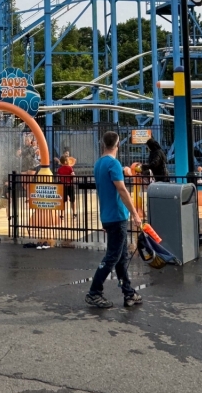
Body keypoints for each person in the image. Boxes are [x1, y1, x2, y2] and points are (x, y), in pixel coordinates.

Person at [86, 131, 144, 309]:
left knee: (121, 257)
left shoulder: (98, 164)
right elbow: (121, 190)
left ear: (103, 144)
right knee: (113, 256)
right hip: (118, 216)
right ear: (117, 145)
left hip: (107, 215)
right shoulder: (114, 164)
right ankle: (94, 292)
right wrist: (135, 213)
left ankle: (128, 293)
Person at [56, 154, 77, 219]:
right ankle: (74, 214)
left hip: (63, 186)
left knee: (63, 201)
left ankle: (62, 215)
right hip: (70, 185)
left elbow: (58, 177)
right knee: (72, 200)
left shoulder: (59, 169)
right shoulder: (70, 168)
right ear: (65, 162)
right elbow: (73, 176)